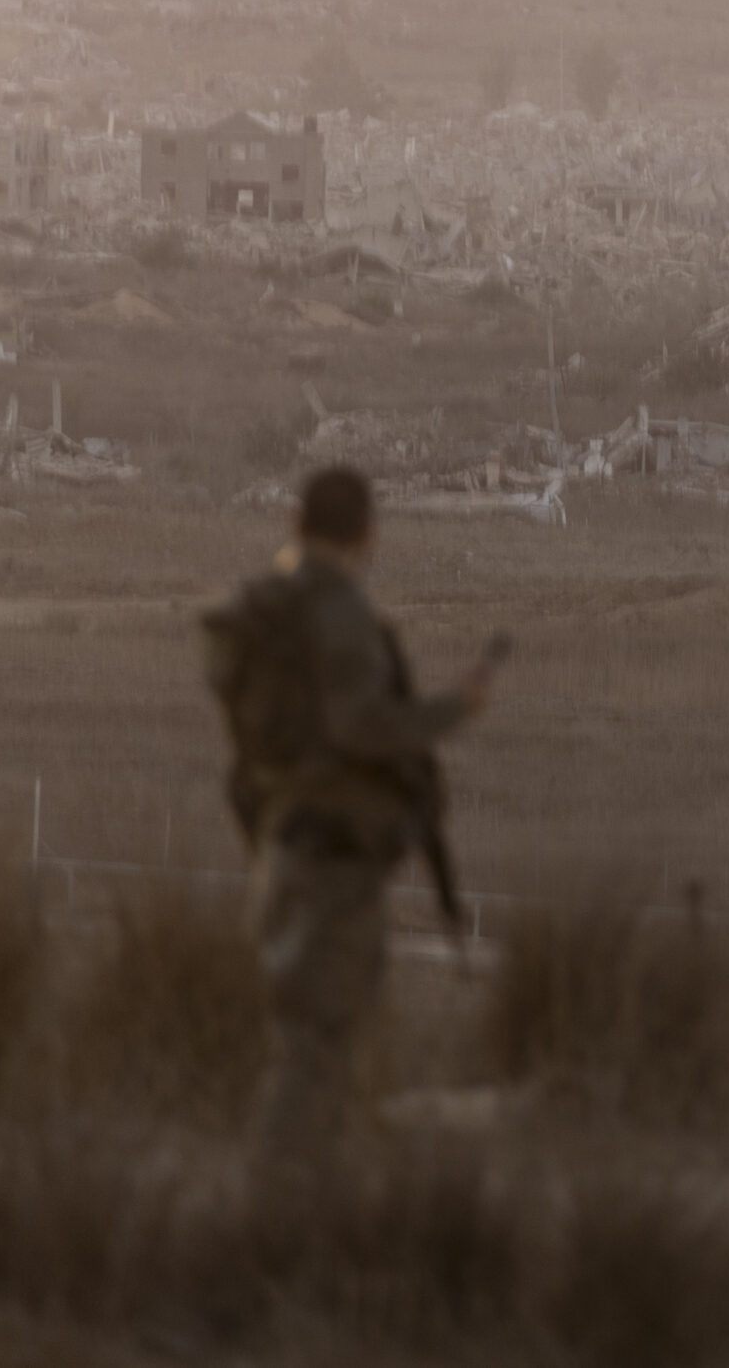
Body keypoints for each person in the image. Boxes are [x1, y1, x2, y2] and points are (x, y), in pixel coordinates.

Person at [202, 466, 498, 1162]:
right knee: (322, 1043)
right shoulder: (337, 612)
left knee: (301, 1034)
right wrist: (454, 709)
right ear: (367, 533)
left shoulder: (264, 608)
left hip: (277, 836)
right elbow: (362, 724)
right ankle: (278, 1212)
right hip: (335, 857)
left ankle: (299, 1199)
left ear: (293, 521)